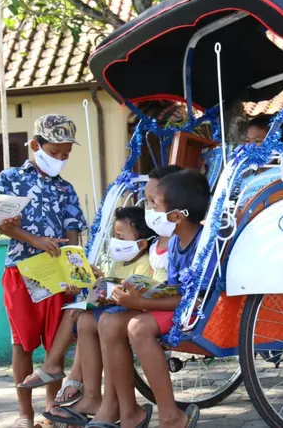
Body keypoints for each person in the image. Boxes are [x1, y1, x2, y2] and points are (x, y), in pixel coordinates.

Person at [89, 169, 209, 428]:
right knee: (108, 323)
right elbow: (175, 289)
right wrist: (136, 295)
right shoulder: (176, 242)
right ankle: (128, 412)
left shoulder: (204, 243)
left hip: (198, 311)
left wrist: (141, 304)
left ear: (176, 216)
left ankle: (171, 416)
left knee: (138, 326)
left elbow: (190, 298)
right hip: (177, 305)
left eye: (154, 204)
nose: (149, 210)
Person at [0, 114, 88, 428]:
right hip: (21, 271)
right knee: (22, 343)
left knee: (54, 345)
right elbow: (0, 222)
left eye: (65, 154)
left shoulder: (67, 189)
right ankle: (25, 413)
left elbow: (74, 233)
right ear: (35, 145)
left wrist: (75, 274)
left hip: (58, 276)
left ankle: (52, 411)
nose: (60, 159)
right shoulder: (9, 179)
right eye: (54, 152)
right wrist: (35, 240)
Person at [39, 206, 156, 426]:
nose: (115, 241)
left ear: (141, 243)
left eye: (120, 237)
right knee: (83, 318)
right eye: (114, 236)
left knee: (101, 322)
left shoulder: (144, 263)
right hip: (114, 311)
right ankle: (91, 396)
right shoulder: (120, 262)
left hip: (131, 314)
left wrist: (108, 291)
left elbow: (136, 294)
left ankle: (64, 372)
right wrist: (98, 281)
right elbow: (111, 287)